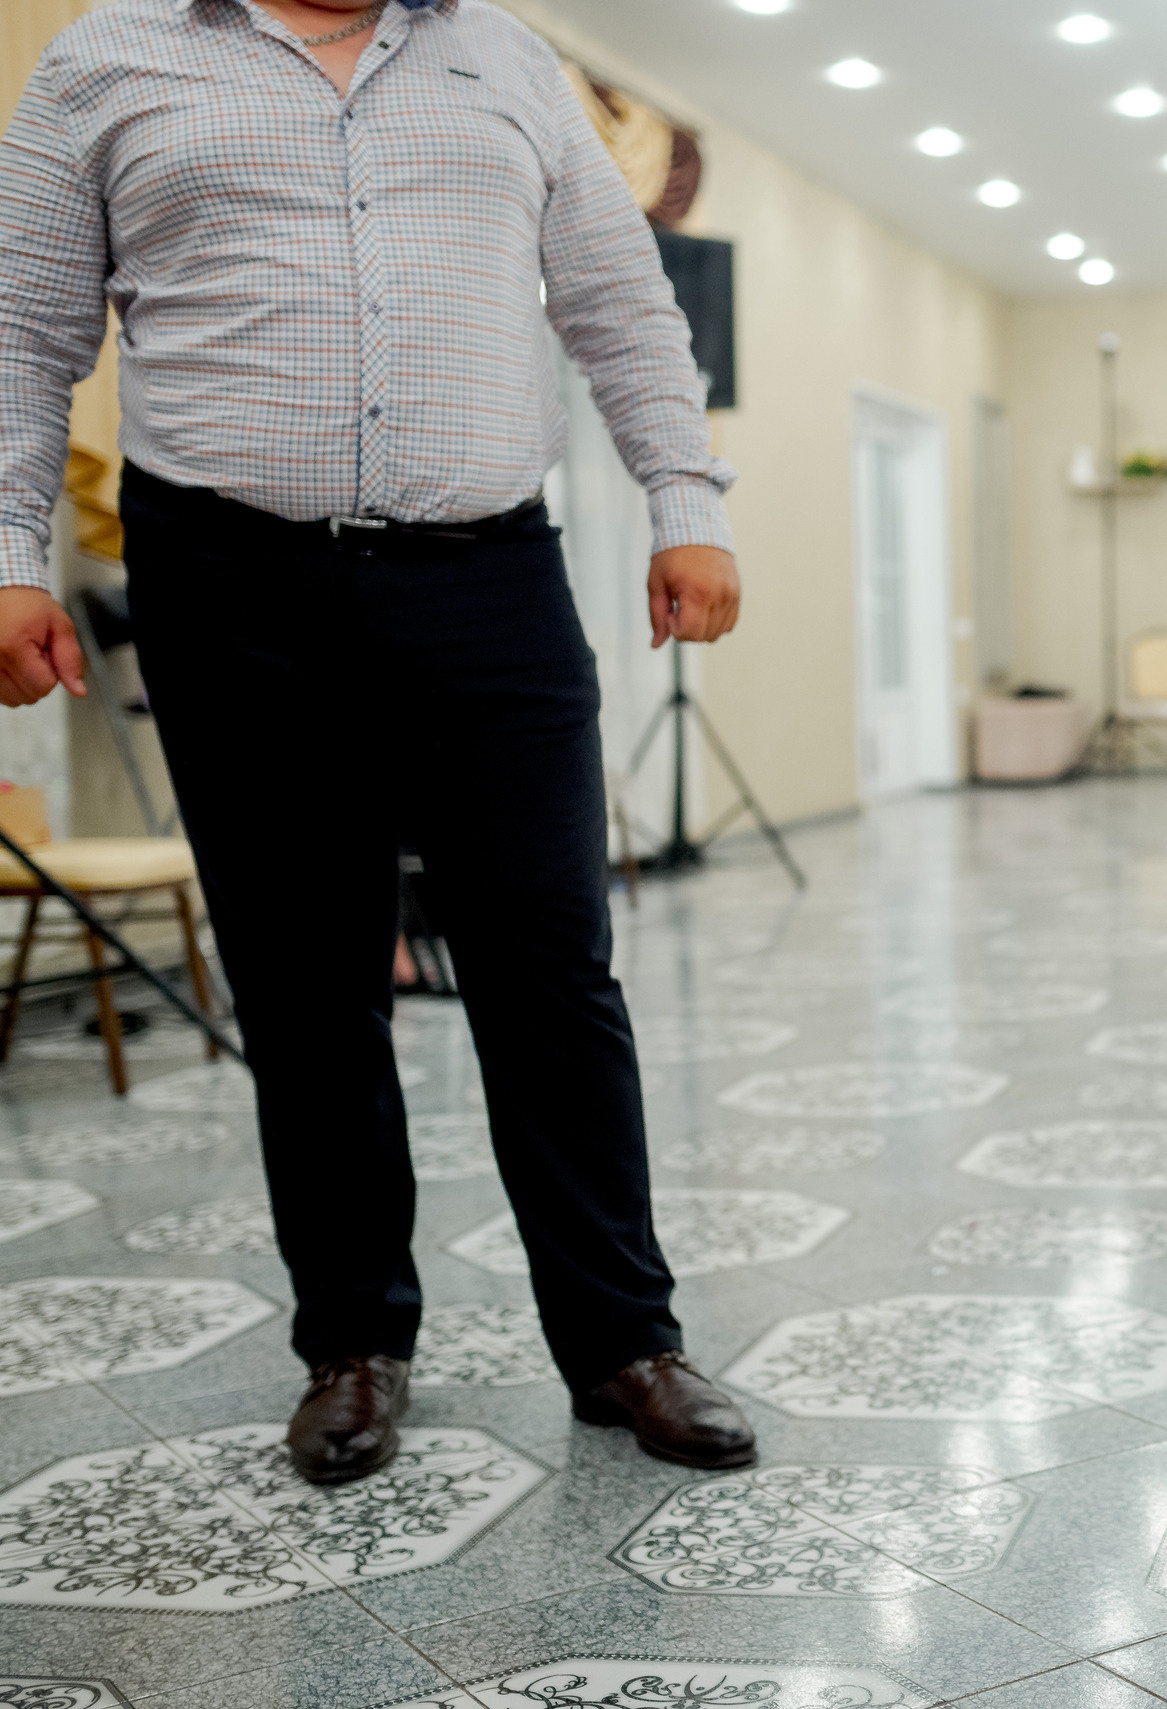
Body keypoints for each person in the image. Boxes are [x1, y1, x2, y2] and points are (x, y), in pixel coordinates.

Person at [0, 0, 759, 1482]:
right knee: (304, 979)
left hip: (487, 577)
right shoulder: (106, 57)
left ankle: (624, 1340)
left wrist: (688, 500)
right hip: (232, 588)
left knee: (551, 968)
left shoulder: (509, 60)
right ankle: (353, 1343)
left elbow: (617, 295)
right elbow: (24, 336)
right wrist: (11, 555)